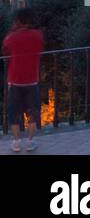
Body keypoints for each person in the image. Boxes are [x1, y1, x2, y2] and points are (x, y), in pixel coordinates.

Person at [3, 9, 43, 152]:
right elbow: (40, 47)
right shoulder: (38, 36)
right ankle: (30, 141)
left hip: (15, 80)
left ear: (18, 21)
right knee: (33, 111)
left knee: (14, 112)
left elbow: (5, 49)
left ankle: (16, 142)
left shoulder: (11, 37)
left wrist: (13, 31)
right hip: (32, 80)